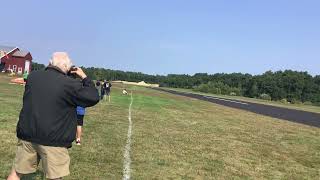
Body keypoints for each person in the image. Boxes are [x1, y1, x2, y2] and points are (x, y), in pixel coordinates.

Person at [7, 52, 99, 180]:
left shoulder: (33, 77)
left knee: (16, 173)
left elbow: (48, 83)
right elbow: (93, 97)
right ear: (67, 67)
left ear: (50, 63)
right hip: (54, 139)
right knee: (55, 177)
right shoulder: (69, 84)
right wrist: (84, 77)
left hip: (28, 134)